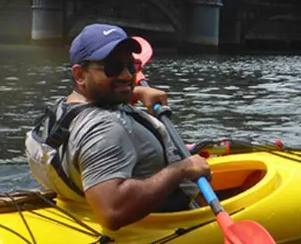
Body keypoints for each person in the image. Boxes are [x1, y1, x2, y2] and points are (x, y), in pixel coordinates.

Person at [25, 23, 211, 231]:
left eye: (131, 66)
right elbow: (112, 211)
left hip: (80, 207)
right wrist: (181, 169)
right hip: (161, 225)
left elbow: (93, 108)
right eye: (112, 67)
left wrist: (135, 93)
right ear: (79, 75)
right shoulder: (105, 130)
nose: (126, 75)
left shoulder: (63, 109)